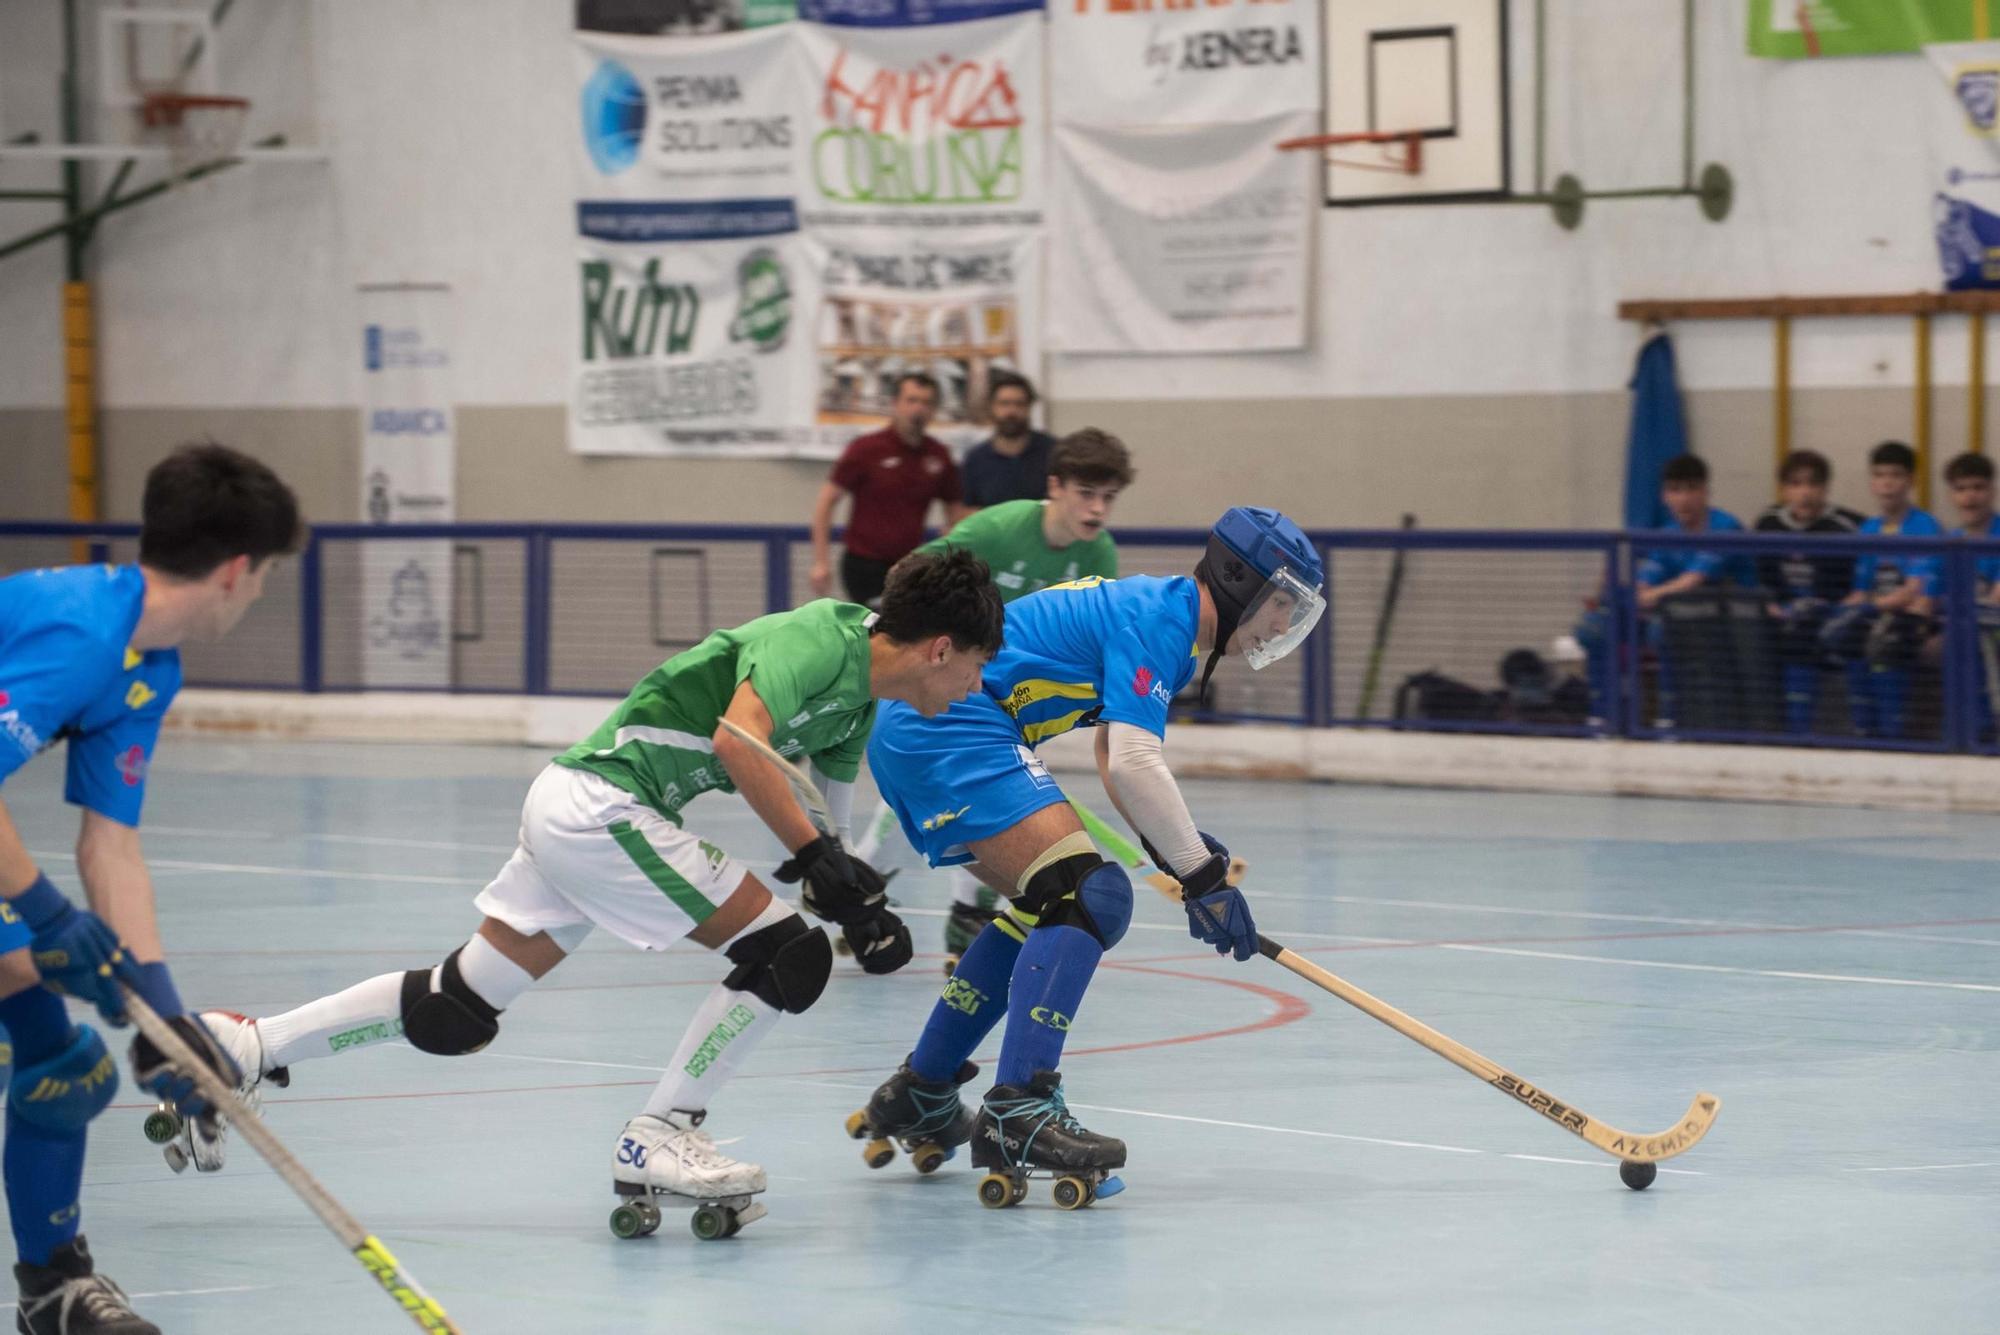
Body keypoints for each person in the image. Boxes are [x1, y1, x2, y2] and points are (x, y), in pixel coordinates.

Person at [190, 552, 1005, 1238]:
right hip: (602, 805)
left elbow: (824, 815)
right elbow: (739, 736)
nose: (972, 689)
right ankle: (661, 1132)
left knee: (458, 1005)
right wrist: (820, 863)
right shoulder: (819, 637)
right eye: (976, 669)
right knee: (783, 952)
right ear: (940, 648)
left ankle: (248, 1045)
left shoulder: (858, 702)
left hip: (584, 807)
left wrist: (859, 903)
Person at [845, 507, 1324, 1205]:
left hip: (926, 726)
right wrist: (1201, 875)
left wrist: (1176, 847)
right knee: (1091, 893)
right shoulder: (1165, 622)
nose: (1283, 626)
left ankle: (923, 1088)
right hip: (952, 721)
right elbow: (1134, 761)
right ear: (1239, 581)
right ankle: (1020, 1106)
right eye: (1281, 604)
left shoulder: (1170, 624)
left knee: (1045, 902)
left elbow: (1111, 754)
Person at [0, 442, 302, 1334]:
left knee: (63, 1068)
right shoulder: (81, 632)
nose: (259, 593)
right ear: (238, 570)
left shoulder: (146, 663)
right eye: (268, 575)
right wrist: (46, 913)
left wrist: (166, 1018)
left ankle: (53, 1285)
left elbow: (111, 844)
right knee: (43, 1011)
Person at [851, 429, 1134, 971]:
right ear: (1055, 486)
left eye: (1108, 497)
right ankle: (866, 888)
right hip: (944, 686)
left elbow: (1101, 635)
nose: (1097, 510)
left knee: (977, 810)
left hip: (1008, 705)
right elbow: (908, 578)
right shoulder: (999, 528)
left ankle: (951, 914)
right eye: (1085, 493)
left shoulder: (1098, 552)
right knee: (942, 808)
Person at [1577, 454, 1747, 724]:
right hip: (1673, 610)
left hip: (1728, 618)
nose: (1683, 499)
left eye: (1691, 489)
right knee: (1594, 627)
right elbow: (1647, 578)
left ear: (1706, 492)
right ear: (1664, 495)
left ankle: (1669, 719)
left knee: (1662, 628)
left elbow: (1691, 581)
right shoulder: (1667, 533)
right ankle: (1603, 715)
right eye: (1675, 490)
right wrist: (1636, 596)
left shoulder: (1725, 527)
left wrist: (1647, 597)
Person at [1819, 441, 1943, 739]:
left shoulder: (1925, 526)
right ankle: (1864, 732)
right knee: (1843, 633)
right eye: (1879, 475)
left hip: (1911, 621)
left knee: (1886, 639)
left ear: (1910, 480)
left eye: (1896, 475)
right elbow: (1861, 589)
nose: (1887, 483)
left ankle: (1893, 735)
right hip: (1876, 614)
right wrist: (1834, 613)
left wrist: (1869, 608)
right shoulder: (1868, 529)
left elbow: (1914, 592)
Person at [809, 373, 966, 606]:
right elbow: (826, 502)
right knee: (879, 629)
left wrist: (953, 544)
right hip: (864, 564)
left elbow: (955, 509)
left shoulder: (938, 455)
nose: (918, 409)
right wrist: (821, 561)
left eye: (926, 403)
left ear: (934, 410)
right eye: (911, 400)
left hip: (910, 564)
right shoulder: (867, 449)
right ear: (895, 404)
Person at [1753, 450, 1863, 734]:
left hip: (1829, 614)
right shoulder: (1767, 524)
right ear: (1784, 489)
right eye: (1796, 484)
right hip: (1782, 613)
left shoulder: (1846, 527)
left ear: (1826, 488)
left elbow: (1851, 585)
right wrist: (1771, 604)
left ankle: (1800, 730)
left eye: (1813, 484)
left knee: (1805, 631)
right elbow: (1761, 578)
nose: (1805, 493)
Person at [958, 373, 1057, 513]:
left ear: (1029, 408)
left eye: (1019, 404)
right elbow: (970, 512)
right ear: (991, 407)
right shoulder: (975, 460)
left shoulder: (1054, 453)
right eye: (1004, 404)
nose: (1011, 411)